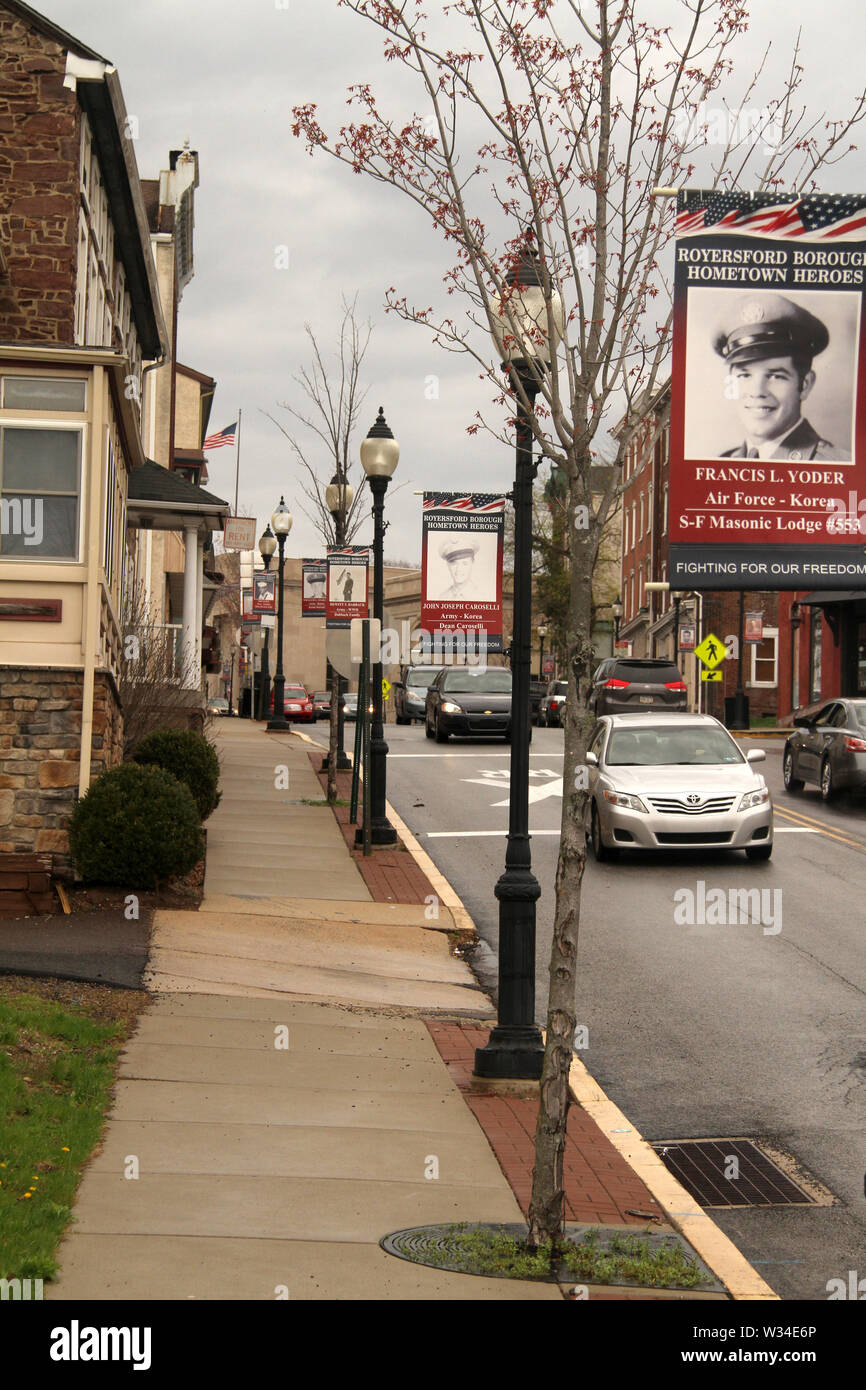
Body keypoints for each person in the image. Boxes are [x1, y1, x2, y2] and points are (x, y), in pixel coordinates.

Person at [713, 293, 849, 461]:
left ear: (805, 385)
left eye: (775, 376)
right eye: (744, 375)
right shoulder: (723, 462)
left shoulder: (837, 464)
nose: (757, 391)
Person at [434, 534, 485, 600]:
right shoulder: (443, 598)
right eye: (454, 563)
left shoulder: (481, 597)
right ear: (448, 565)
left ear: (472, 563)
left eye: (465, 563)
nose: (459, 569)